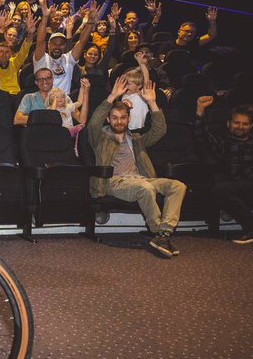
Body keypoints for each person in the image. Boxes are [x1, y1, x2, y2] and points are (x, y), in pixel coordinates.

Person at [87, 76, 186, 258]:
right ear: (108, 119)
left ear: (128, 119)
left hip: (140, 179)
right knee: (145, 188)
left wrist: (152, 103)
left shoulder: (136, 139)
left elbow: (159, 131)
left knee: (177, 186)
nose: (119, 122)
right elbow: (93, 123)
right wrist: (112, 96)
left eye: (123, 118)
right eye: (115, 118)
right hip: (113, 182)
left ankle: (164, 233)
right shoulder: (99, 138)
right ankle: (160, 233)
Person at [194, 97, 253, 244]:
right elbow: (201, 136)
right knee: (220, 189)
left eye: (245, 124)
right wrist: (200, 111)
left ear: (251, 126)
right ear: (229, 124)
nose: (240, 126)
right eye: (236, 122)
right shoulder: (223, 142)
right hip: (237, 187)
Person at [15, 67, 90, 126]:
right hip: (36, 136)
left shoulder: (63, 97)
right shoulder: (28, 97)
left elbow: (81, 120)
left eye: (48, 78)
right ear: (36, 82)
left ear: (53, 79)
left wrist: (86, 92)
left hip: (59, 136)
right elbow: (17, 120)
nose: (44, 82)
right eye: (40, 79)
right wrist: (48, 117)